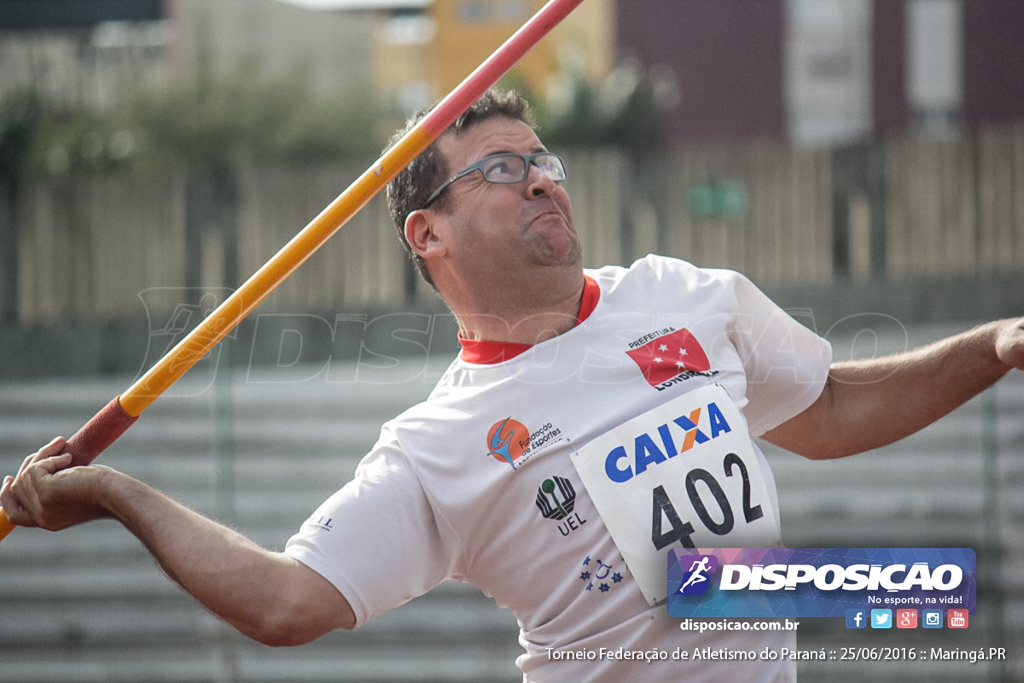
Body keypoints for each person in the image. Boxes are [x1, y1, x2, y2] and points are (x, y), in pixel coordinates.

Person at [3, 89, 1023, 682]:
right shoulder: (437, 443)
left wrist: (997, 346)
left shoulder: (686, 297)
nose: (541, 176)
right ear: (427, 233)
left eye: (543, 158)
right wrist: (110, 491)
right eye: (500, 168)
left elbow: (833, 409)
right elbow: (286, 601)